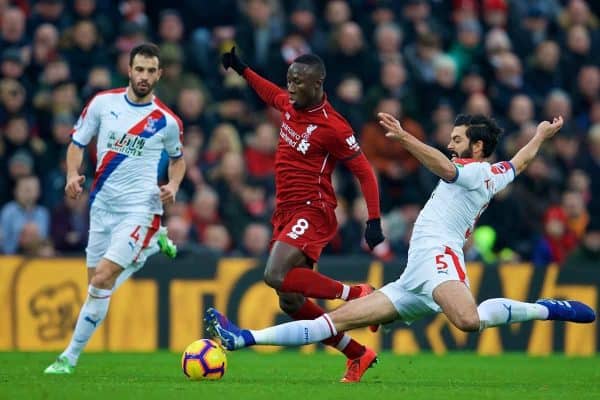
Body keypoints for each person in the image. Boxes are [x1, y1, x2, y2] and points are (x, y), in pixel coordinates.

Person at [205, 113, 596, 379]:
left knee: (469, 321)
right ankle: (244, 338)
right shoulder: (493, 172)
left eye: (457, 139)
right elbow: (521, 162)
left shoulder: (473, 172)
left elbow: (445, 168)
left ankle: (544, 309)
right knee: (335, 322)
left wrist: (406, 138)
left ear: (476, 147)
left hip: (440, 260)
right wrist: (540, 136)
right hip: (414, 275)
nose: (450, 143)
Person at [220, 47, 385, 382]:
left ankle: (358, 294)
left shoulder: (334, 127)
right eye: (289, 80)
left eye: (298, 81)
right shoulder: (290, 106)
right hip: (286, 211)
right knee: (291, 302)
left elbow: (365, 172)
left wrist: (374, 219)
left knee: (274, 274)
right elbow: (270, 92)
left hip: (314, 209)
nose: (291, 87)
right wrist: (242, 69)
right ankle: (357, 353)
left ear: (318, 83)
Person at [44, 43, 185, 374]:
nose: (144, 76)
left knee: (104, 278)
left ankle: (68, 358)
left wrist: (173, 186)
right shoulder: (102, 104)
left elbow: (178, 160)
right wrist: (71, 174)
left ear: (159, 74)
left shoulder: (166, 121)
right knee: (96, 286)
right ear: (129, 70)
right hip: (101, 206)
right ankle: (149, 247)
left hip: (140, 208)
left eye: (151, 71)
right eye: (140, 69)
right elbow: (77, 144)